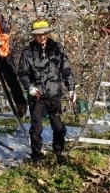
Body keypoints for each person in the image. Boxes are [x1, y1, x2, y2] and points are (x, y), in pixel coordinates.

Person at [17, 20, 76, 166]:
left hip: (54, 93)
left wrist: (71, 88)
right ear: (34, 35)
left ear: (47, 33)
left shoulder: (57, 49)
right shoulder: (28, 52)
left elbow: (66, 69)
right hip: (36, 95)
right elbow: (23, 73)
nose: (41, 37)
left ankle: (59, 151)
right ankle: (36, 157)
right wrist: (28, 86)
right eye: (38, 34)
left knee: (58, 126)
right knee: (36, 128)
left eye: (43, 34)